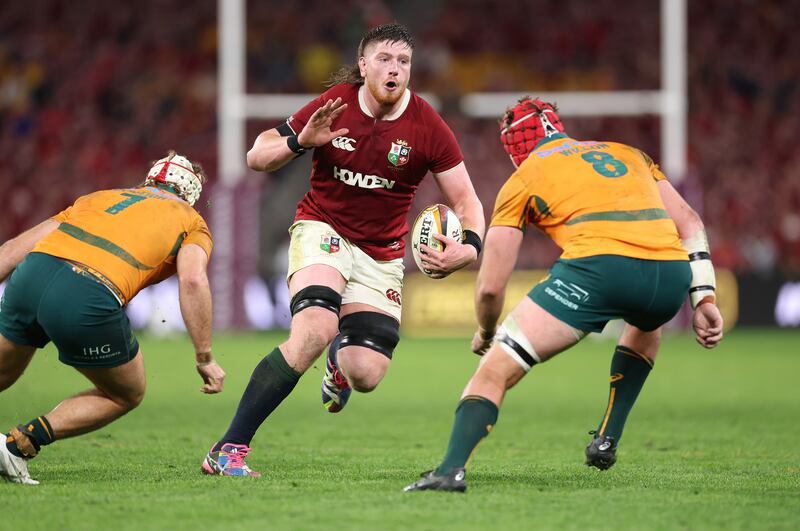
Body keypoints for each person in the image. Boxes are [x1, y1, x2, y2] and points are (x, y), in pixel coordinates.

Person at [202, 22, 485, 477]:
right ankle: (228, 448)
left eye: (403, 62)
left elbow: (467, 200)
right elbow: (258, 154)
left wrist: (468, 249)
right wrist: (300, 142)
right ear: (363, 65)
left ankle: (340, 362)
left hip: (381, 253)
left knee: (366, 375)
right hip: (322, 228)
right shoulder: (334, 107)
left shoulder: (428, 125)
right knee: (314, 330)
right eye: (384, 59)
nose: (394, 70)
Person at [404, 97, 724, 492]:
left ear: (514, 146)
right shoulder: (629, 153)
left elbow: (489, 287)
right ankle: (607, 438)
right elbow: (690, 221)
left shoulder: (524, 178)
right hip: (671, 275)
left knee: (494, 372)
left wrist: (488, 334)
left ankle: (449, 471)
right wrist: (704, 298)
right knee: (646, 322)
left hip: (600, 270)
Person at [0, 151, 225, 485]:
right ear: (191, 196)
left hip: (31, 276)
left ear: (149, 179)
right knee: (125, 394)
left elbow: (11, 251)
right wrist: (204, 355)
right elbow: (193, 280)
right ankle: (19, 445)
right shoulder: (192, 221)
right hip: (87, 292)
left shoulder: (99, 197)